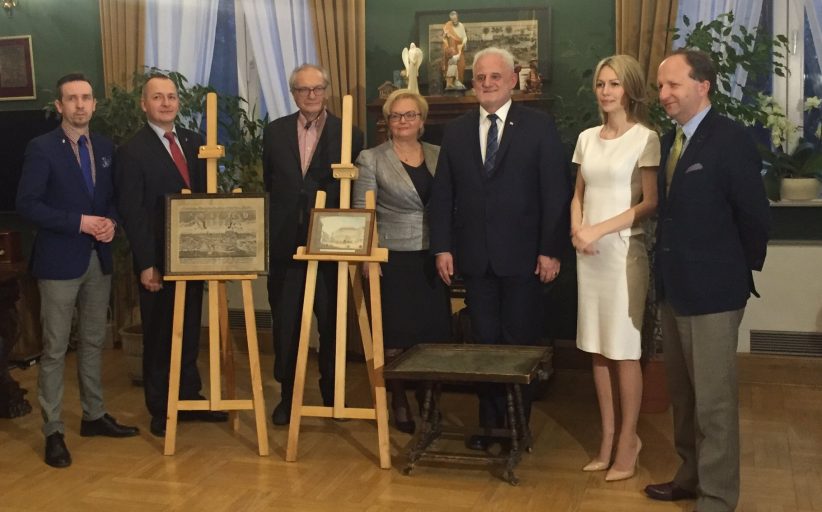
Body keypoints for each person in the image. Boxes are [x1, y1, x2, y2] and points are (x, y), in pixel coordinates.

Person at [644, 49, 770, 510]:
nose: (664, 94)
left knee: (714, 402)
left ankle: (717, 496)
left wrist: (732, 273)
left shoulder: (731, 139)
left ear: (703, 85)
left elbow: (755, 218)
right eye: (661, 86)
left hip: (715, 292)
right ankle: (690, 475)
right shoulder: (668, 142)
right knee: (683, 396)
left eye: (673, 84)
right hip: (673, 289)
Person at [429, 47, 570, 450]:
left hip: (525, 259)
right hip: (475, 259)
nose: (487, 83)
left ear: (512, 81)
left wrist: (551, 250)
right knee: (484, 345)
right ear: (472, 83)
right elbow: (444, 195)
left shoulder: (538, 126)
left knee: (518, 344)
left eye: (495, 76)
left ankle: (516, 428)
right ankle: (488, 425)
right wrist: (442, 247)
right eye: (480, 77)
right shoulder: (456, 131)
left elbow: (555, 192)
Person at [16, 73, 139, 467]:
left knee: (92, 342)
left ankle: (94, 415)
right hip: (58, 262)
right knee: (55, 349)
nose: (80, 105)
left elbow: (113, 199)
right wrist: (79, 222)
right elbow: (28, 204)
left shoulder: (105, 146)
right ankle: (53, 431)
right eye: (72, 98)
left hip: (98, 260)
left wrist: (111, 223)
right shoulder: (41, 148)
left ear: (95, 104)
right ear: (59, 106)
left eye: (86, 97)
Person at [115, 74, 228, 438]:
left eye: (171, 97)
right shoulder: (131, 151)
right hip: (158, 261)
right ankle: (161, 407)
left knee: (190, 328)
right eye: (157, 97)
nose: (166, 103)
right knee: (160, 333)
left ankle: (189, 398)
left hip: (194, 255)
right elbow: (133, 212)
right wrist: (146, 263)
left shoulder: (196, 142)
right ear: (143, 104)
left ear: (179, 102)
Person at [570, 55, 659, 482]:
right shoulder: (587, 138)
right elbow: (578, 194)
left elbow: (649, 203)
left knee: (624, 351)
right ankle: (606, 440)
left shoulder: (646, 138)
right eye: (601, 83)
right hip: (588, 255)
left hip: (624, 255)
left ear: (630, 89)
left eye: (614, 84)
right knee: (597, 348)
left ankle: (628, 441)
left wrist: (598, 229)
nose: (606, 91)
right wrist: (577, 229)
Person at [263, 64, 364, 425]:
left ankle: (331, 394)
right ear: (293, 94)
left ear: (326, 91)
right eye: (303, 89)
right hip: (286, 246)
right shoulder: (274, 132)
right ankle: (288, 397)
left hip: (331, 243)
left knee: (332, 322)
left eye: (317, 89)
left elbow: (355, 189)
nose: (311, 95)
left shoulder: (349, 133)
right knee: (286, 324)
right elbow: (271, 183)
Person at [353, 89, 451, 434]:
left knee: (432, 335)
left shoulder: (440, 154)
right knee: (394, 334)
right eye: (396, 115)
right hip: (391, 259)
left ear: (422, 120)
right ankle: (399, 400)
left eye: (410, 115)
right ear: (387, 121)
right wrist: (369, 257)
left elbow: (449, 203)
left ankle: (430, 399)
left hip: (433, 256)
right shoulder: (371, 158)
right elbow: (363, 210)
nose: (403, 121)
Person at [442, 10, 468, 89]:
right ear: (451, 19)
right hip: (452, 49)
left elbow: (464, 37)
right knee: (451, 67)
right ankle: (451, 83)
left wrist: (463, 42)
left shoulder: (461, 25)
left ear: (457, 17)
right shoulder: (448, 25)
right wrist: (446, 43)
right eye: (452, 19)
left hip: (459, 47)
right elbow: (444, 38)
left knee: (462, 64)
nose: (454, 20)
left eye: (455, 18)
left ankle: (459, 81)